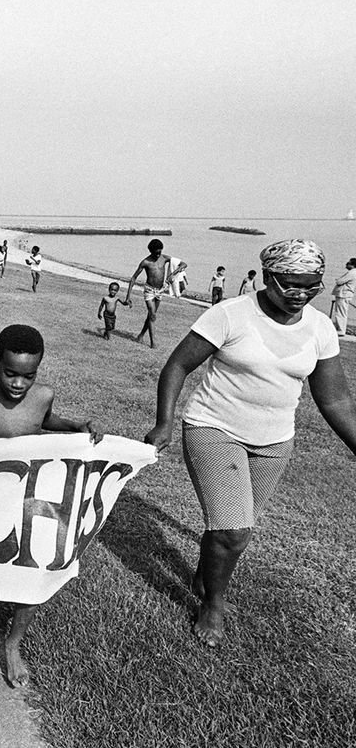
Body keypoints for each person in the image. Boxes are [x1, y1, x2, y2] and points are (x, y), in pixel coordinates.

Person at [145, 238, 356, 648]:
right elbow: (178, 365)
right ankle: (213, 605)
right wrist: (164, 422)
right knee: (235, 531)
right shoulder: (231, 314)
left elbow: (335, 400)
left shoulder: (319, 328)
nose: (300, 293)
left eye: (310, 285)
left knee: (230, 527)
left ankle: (205, 577)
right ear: (269, 276)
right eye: (289, 284)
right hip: (214, 428)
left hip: (275, 441)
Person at [0, 325, 102, 687]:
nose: (18, 384)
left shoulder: (43, 395)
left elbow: (44, 421)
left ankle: (13, 644)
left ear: (38, 371)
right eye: (10, 373)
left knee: (35, 564)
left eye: (28, 376)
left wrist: (76, 425)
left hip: (32, 493)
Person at [123, 238, 171, 348]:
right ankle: (153, 343)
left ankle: (141, 335)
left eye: (160, 252)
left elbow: (181, 263)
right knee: (153, 315)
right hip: (149, 290)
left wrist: (172, 274)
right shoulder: (146, 262)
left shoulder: (164, 258)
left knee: (150, 316)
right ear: (151, 252)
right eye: (156, 253)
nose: (158, 255)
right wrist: (128, 296)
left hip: (160, 291)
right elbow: (134, 278)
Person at [329, 257, 356, 336]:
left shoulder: (352, 273)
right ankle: (340, 329)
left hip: (344, 295)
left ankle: (341, 330)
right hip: (345, 295)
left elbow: (339, 281)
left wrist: (338, 279)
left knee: (340, 313)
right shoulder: (352, 272)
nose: (346, 264)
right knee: (342, 312)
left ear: (353, 265)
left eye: (349, 263)